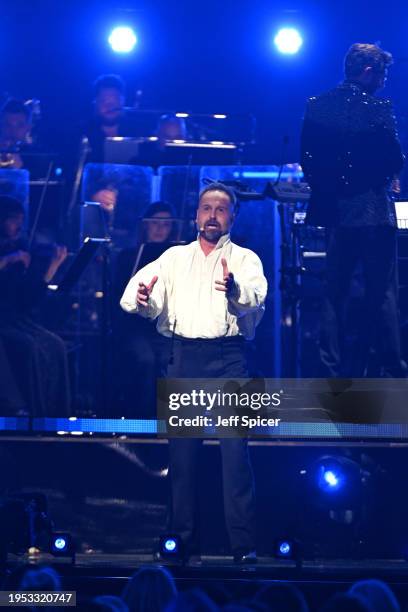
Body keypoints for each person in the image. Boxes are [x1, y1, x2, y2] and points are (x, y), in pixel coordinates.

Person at [120, 183, 267, 563]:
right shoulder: (173, 258)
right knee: (182, 460)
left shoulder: (245, 258)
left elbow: (255, 294)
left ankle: (243, 548)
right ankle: (182, 543)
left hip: (229, 361)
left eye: (221, 208)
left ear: (232, 216)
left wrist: (233, 287)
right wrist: (142, 299)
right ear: (196, 215)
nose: (213, 215)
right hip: (183, 359)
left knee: (236, 458)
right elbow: (139, 293)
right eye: (206, 208)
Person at [301, 43, 406, 378]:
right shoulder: (377, 109)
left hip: (335, 212)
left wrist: (333, 190)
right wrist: (383, 178)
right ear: (369, 72)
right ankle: (390, 364)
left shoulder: (317, 106)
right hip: (373, 212)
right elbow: (394, 158)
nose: (385, 82)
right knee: (382, 292)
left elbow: (308, 160)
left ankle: (331, 368)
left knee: (335, 291)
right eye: (384, 74)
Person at [0, 196, 70, 416]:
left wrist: (51, 268)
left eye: (21, 220)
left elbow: (27, 299)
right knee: (28, 346)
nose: (18, 226)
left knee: (56, 344)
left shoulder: (20, 248)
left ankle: (57, 411)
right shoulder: (11, 254)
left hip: (16, 318)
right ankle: (24, 408)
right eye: (12, 220)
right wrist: (7, 261)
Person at [113, 202, 176, 417]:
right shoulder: (128, 257)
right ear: (145, 226)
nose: (160, 229)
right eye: (155, 223)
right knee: (146, 359)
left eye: (166, 224)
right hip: (135, 327)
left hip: (165, 326)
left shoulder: (176, 258)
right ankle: (141, 418)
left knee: (173, 359)